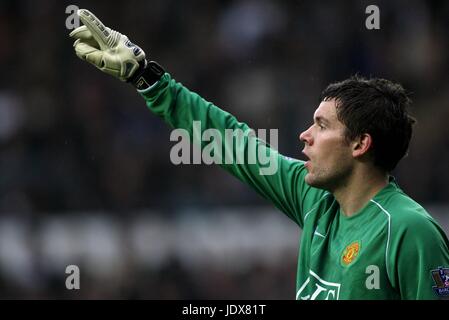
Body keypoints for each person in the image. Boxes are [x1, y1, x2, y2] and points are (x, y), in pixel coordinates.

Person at [69, 9, 449, 300]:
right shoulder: (314, 198)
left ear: (359, 144)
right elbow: (234, 144)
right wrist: (146, 77)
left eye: (321, 125)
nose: (305, 135)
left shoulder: (409, 232)